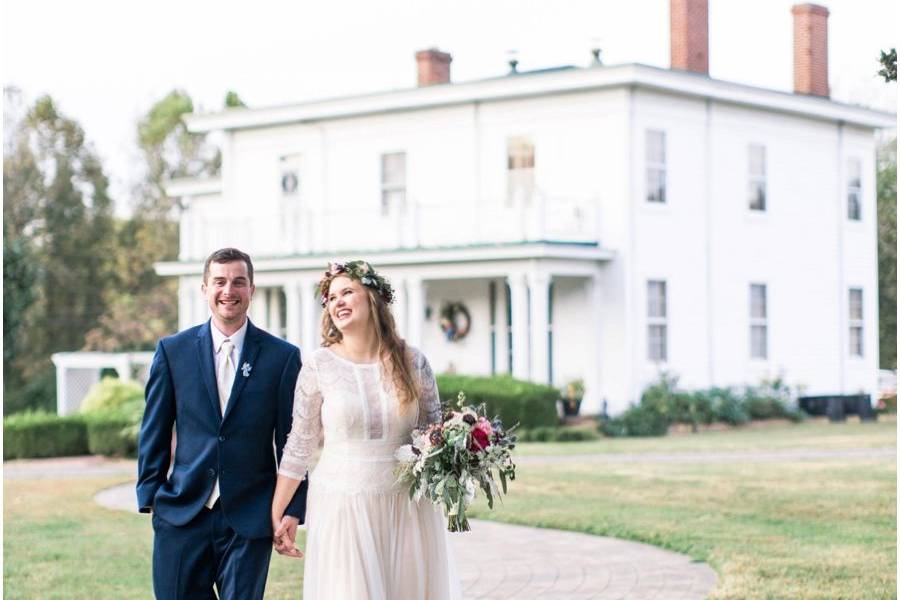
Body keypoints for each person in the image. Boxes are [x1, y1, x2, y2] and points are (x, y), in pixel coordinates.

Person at [271, 260, 461, 600]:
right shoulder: (319, 365)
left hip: (407, 507)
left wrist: (464, 448)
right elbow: (300, 444)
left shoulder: (413, 362)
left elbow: (434, 435)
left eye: (348, 292)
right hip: (343, 505)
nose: (337, 301)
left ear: (372, 298)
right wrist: (278, 512)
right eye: (331, 297)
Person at [137, 247, 308, 600]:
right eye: (219, 282)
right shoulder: (173, 351)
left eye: (238, 282)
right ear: (204, 289)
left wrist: (292, 508)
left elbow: (293, 441)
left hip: (249, 518)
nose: (228, 291)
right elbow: (154, 429)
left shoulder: (282, 357)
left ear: (251, 290)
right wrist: (151, 496)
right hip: (182, 513)